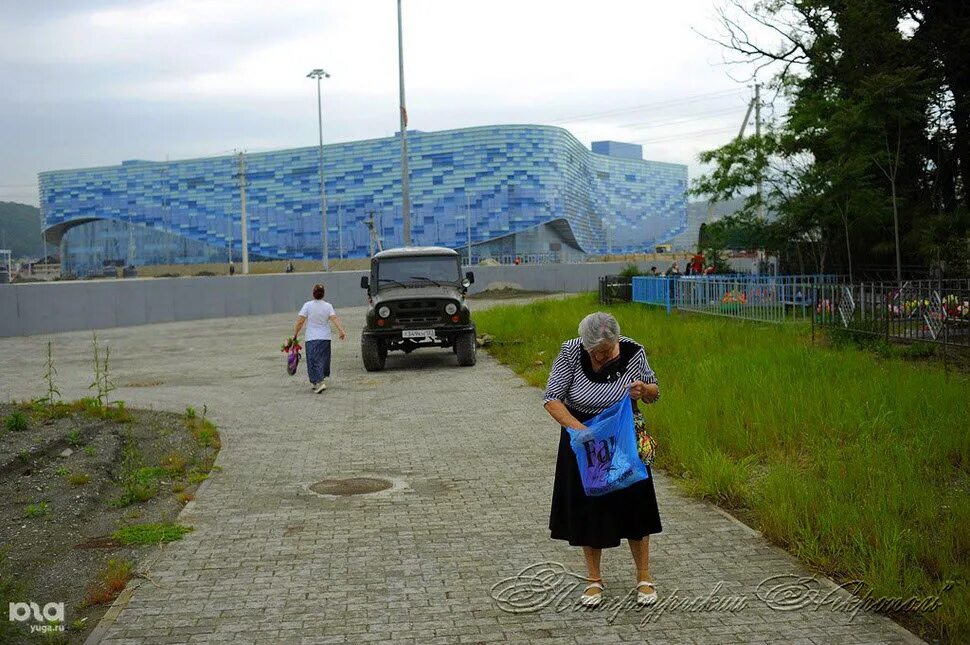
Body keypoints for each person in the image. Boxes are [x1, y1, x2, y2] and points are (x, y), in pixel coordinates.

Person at [543, 312, 662, 608]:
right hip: (583, 435)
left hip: (622, 436)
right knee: (590, 507)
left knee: (635, 504)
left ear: (615, 342)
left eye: (607, 351)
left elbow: (653, 393)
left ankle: (644, 578)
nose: (601, 356)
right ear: (585, 344)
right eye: (595, 352)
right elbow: (552, 398)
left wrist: (643, 390)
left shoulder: (633, 351)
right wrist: (582, 432)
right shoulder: (571, 351)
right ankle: (594, 580)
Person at [292, 284, 346, 393]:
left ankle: (320, 382)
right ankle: (315, 381)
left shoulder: (308, 305)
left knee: (313, 360)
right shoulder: (328, 306)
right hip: (325, 338)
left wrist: (295, 334)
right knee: (323, 359)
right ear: (323, 294)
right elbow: (334, 318)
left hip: (312, 338)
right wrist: (341, 330)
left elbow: (300, 321)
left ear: (313, 293)